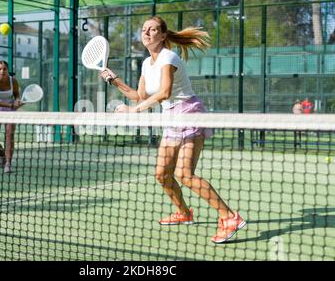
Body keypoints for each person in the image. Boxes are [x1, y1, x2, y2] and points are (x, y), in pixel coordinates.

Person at [100, 16, 246, 243]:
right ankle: (185, 213)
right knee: (162, 174)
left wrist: (134, 111)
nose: (147, 32)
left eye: (153, 29)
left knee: (184, 174)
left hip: (189, 115)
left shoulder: (169, 57)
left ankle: (229, 217)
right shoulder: (147, 64)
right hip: (170, 118)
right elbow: (140, 96)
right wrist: (114, 80)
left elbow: (165, 93)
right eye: (144, 29)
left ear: (163, 35)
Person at [0, 60, 22, 173]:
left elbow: (16, 94)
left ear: (7, 70)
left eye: (4, 69)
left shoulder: (13, 81)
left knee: (9, 135)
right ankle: (2, 157)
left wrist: (17, 100)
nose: (2, 71)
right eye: (0, 69)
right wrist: (11, 104)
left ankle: (8, 163)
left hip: (10, 111)